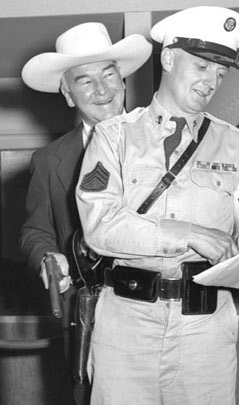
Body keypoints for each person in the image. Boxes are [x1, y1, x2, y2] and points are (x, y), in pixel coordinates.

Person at [76, 7, 239, 405]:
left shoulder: (233, 143)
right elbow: (100, 226)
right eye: (201, 66)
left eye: (220, 72)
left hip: (205, 330)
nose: (211, 82)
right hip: (127, 328)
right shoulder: (113, 137)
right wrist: (192, 235)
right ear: (168, 58)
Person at [20, 21, 152, 404]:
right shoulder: (48, 161)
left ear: (124, 80)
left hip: (163, 313)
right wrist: (47, 255)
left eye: (109, 75)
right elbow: (35, 229)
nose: (103, 90)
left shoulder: (167, 141)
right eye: (85, 81)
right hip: (90, 317)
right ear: (67, 93)